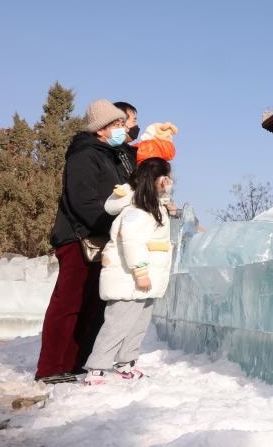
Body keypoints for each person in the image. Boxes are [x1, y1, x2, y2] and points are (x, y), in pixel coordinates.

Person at [35, 100, 131, 384]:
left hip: (100, 238)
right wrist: (111, 225)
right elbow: (83, 200)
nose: (122, 129)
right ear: (100, 129)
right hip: (78, 236)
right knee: (69, 303)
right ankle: (51, 367)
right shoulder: (85, 154)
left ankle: (76, 363)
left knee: (92, 303)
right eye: (117, 124)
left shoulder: (110, 155)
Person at [84, 157, 174, 385]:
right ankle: (96, 368)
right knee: (117, 324)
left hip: (145, 279)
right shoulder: (138, 210)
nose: (171, 181)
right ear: (159, 180)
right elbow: (132, 242)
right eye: (168, 177)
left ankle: (126, 362)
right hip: (131, 279)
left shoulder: (153, 207)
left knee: (138, 324)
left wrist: (166, 202)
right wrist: (141, 273)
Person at [113, 101, 139, 180]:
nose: (136, 125)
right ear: (121, 122)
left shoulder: (129, 152)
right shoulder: (109, 151)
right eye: (134, 121)